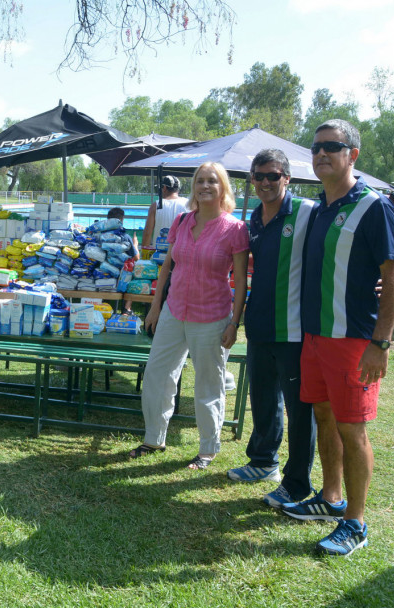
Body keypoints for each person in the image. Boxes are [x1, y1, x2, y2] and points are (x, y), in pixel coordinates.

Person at [281, 119, 394, 557]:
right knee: (325, 418)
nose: (321, 154)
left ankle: (356, 522)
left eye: (332, 147)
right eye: (315, 148)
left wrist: (381, 342)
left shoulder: (373, 206)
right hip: (316, 338)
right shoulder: (322, 208)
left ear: (353, 155)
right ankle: (331, 498)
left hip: (353, 341)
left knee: (354, 430)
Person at [132, 162, 249, 469]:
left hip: (211, 316)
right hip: (174, 310)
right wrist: (156, 308)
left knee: (208, 384)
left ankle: (208, 449)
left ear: (222, 187)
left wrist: (235, 323)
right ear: (193, 187)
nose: (205, 186)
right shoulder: (183, 221)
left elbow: (239, 281)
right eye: (200, 181)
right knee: (158, 374)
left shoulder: (235, 229)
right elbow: (168, 266)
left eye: (212, 181)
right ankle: (153, 438)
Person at [225, 149, 317, 509]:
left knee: (299, 409)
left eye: (272, 176)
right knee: (262, 398)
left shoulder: (307, 212)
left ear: (287, 178)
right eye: (258, 176)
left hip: (295, 330)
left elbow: (340, 249)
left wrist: (374, 280)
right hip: (260, 324)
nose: (265, 182)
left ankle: (297, 484)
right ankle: (264, 462)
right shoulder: (254, 218)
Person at [141, 174, 189, 248]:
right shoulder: (188, 204)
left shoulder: (156, 205)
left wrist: (144, 253)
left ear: (164, 188)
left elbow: (147, 233)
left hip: (159, 255)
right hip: (180, 254)